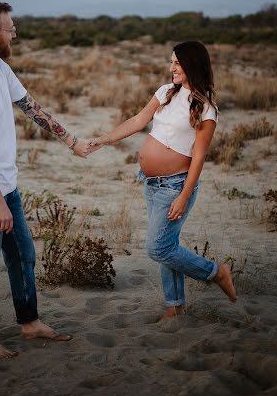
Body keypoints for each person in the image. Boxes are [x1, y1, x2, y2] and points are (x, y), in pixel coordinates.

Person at [0, 0, 91, 359]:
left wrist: (71, 141)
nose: (16, 34)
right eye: (11, 29)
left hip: (5, 186)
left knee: (23, 256)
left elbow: (31, 107)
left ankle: (29, 323)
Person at [88, 40, 236, 318]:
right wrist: (103, 140)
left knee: (158, 247)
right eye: (171, 62)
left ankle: (216, 273)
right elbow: (137, 120)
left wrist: (183, 195)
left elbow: (199, 157)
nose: (172, 68)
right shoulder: (166, 92)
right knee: (168, 245)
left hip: (175, 185)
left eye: (177, 63)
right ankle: (175, 305)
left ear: (192, 64)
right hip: (151, 182)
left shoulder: (206, 109)